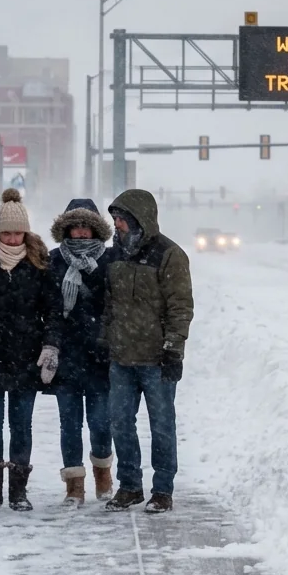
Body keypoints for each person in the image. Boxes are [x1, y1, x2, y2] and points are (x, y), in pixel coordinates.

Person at [101, 189, 194, 514]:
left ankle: (163, 490)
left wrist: (174, 349)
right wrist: (106, 340)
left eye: (122, 219)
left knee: (162, 425)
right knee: (120, 423)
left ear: (140, 219)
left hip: (156, 359)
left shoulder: (169, 255)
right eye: (115, 219)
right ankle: (129, 487)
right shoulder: (115, 254)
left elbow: (180, 306)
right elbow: (108, 304)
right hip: (122, 358)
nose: (118, 225)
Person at [0, 188, 59, 513]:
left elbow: (52, 310)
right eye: (5, 232)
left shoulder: (39, 263)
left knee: (21, 425)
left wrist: (50, 346)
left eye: (17, 232)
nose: (11, 239)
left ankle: (19, 491)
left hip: (26, 358)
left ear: (26, 231)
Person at [44, 198, 117, 506]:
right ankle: (74, 484)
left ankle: (103, 472)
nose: (81, 233)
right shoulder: (53, 261)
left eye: (87, 227)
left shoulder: (111, 261)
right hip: (67, 356)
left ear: (96, 229)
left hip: (102, 356)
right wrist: (50, 345)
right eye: (76, 227)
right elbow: (48, 307)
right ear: (67, 229)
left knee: (101, 422)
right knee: (70, 424)